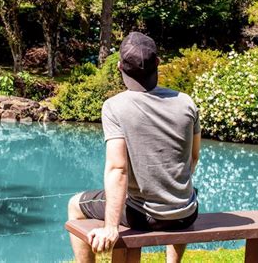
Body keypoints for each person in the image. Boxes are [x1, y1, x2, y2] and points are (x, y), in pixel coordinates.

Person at [67, 32, 201, 263]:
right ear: (158, 63)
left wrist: (111, 227)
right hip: (186, 214)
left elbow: (118, 169)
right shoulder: (186, 102)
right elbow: (193, 158)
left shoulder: (115, 106)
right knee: (170, 204)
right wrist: (169, 194)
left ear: (119, 66)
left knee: (75, 204)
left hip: (144, 216)